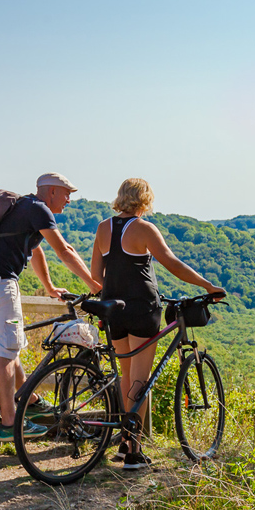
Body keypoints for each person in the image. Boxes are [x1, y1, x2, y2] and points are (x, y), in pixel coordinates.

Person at [91, 177, 224, 470]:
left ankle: (126, 441)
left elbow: (95, 275)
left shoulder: (103, 228)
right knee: (141, 379)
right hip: (141, 309)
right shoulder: (144, 228)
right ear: (145, 199)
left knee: (127, 376)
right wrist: (208, 285)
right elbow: (172, 263)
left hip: (114, 310)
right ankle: (133, 452)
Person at [0, 172, 103, 441]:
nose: (69, 200)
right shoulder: (38, 208)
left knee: (10, 345)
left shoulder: (24, 208)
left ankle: (31, 402)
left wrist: (50, 288)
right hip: (1, 282)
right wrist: (95, 284)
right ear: (51, 191)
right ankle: (9, 424)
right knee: (5, 353)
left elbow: (36, 251)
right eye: (67, 194)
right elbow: (64, 251)